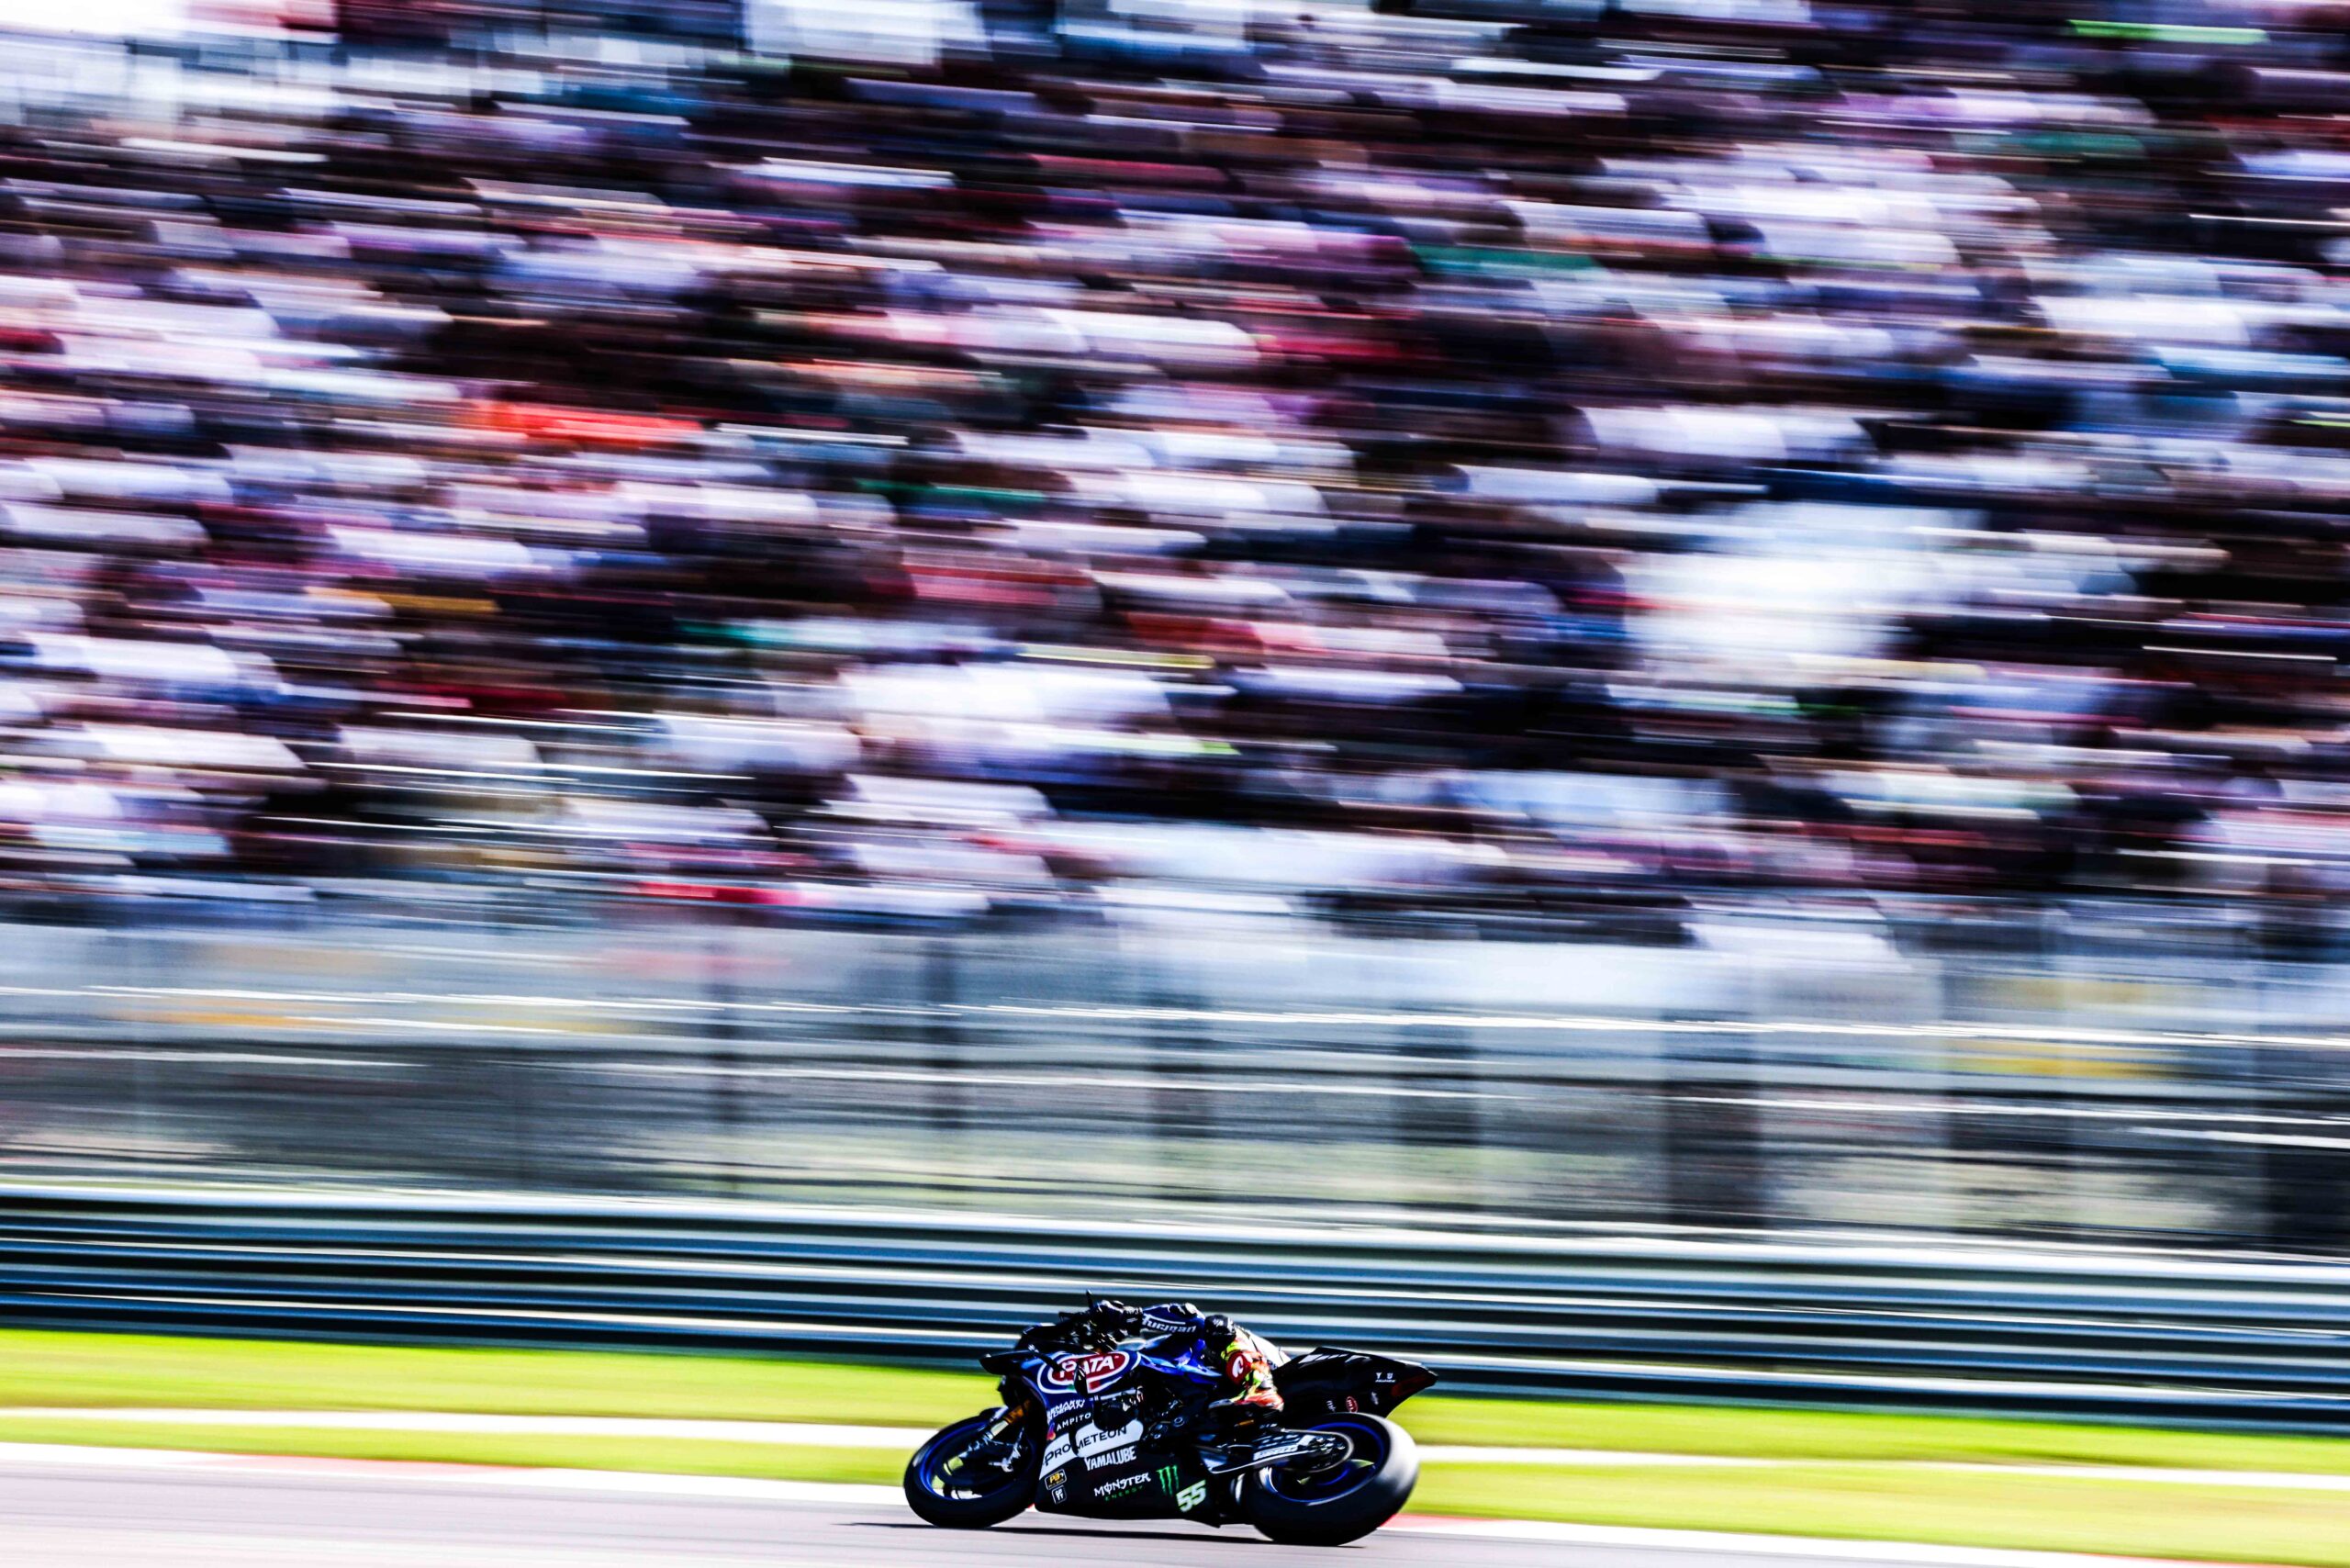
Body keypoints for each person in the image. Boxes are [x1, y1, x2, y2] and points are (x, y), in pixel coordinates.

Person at [1022, 1298, 1286, 1428]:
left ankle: (1262, 1388)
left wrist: (1127, 1317)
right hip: (1221, 1398)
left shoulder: (1184, 1341)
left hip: (1276, 1371)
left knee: (1213, 1326)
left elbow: (1190, 1319)